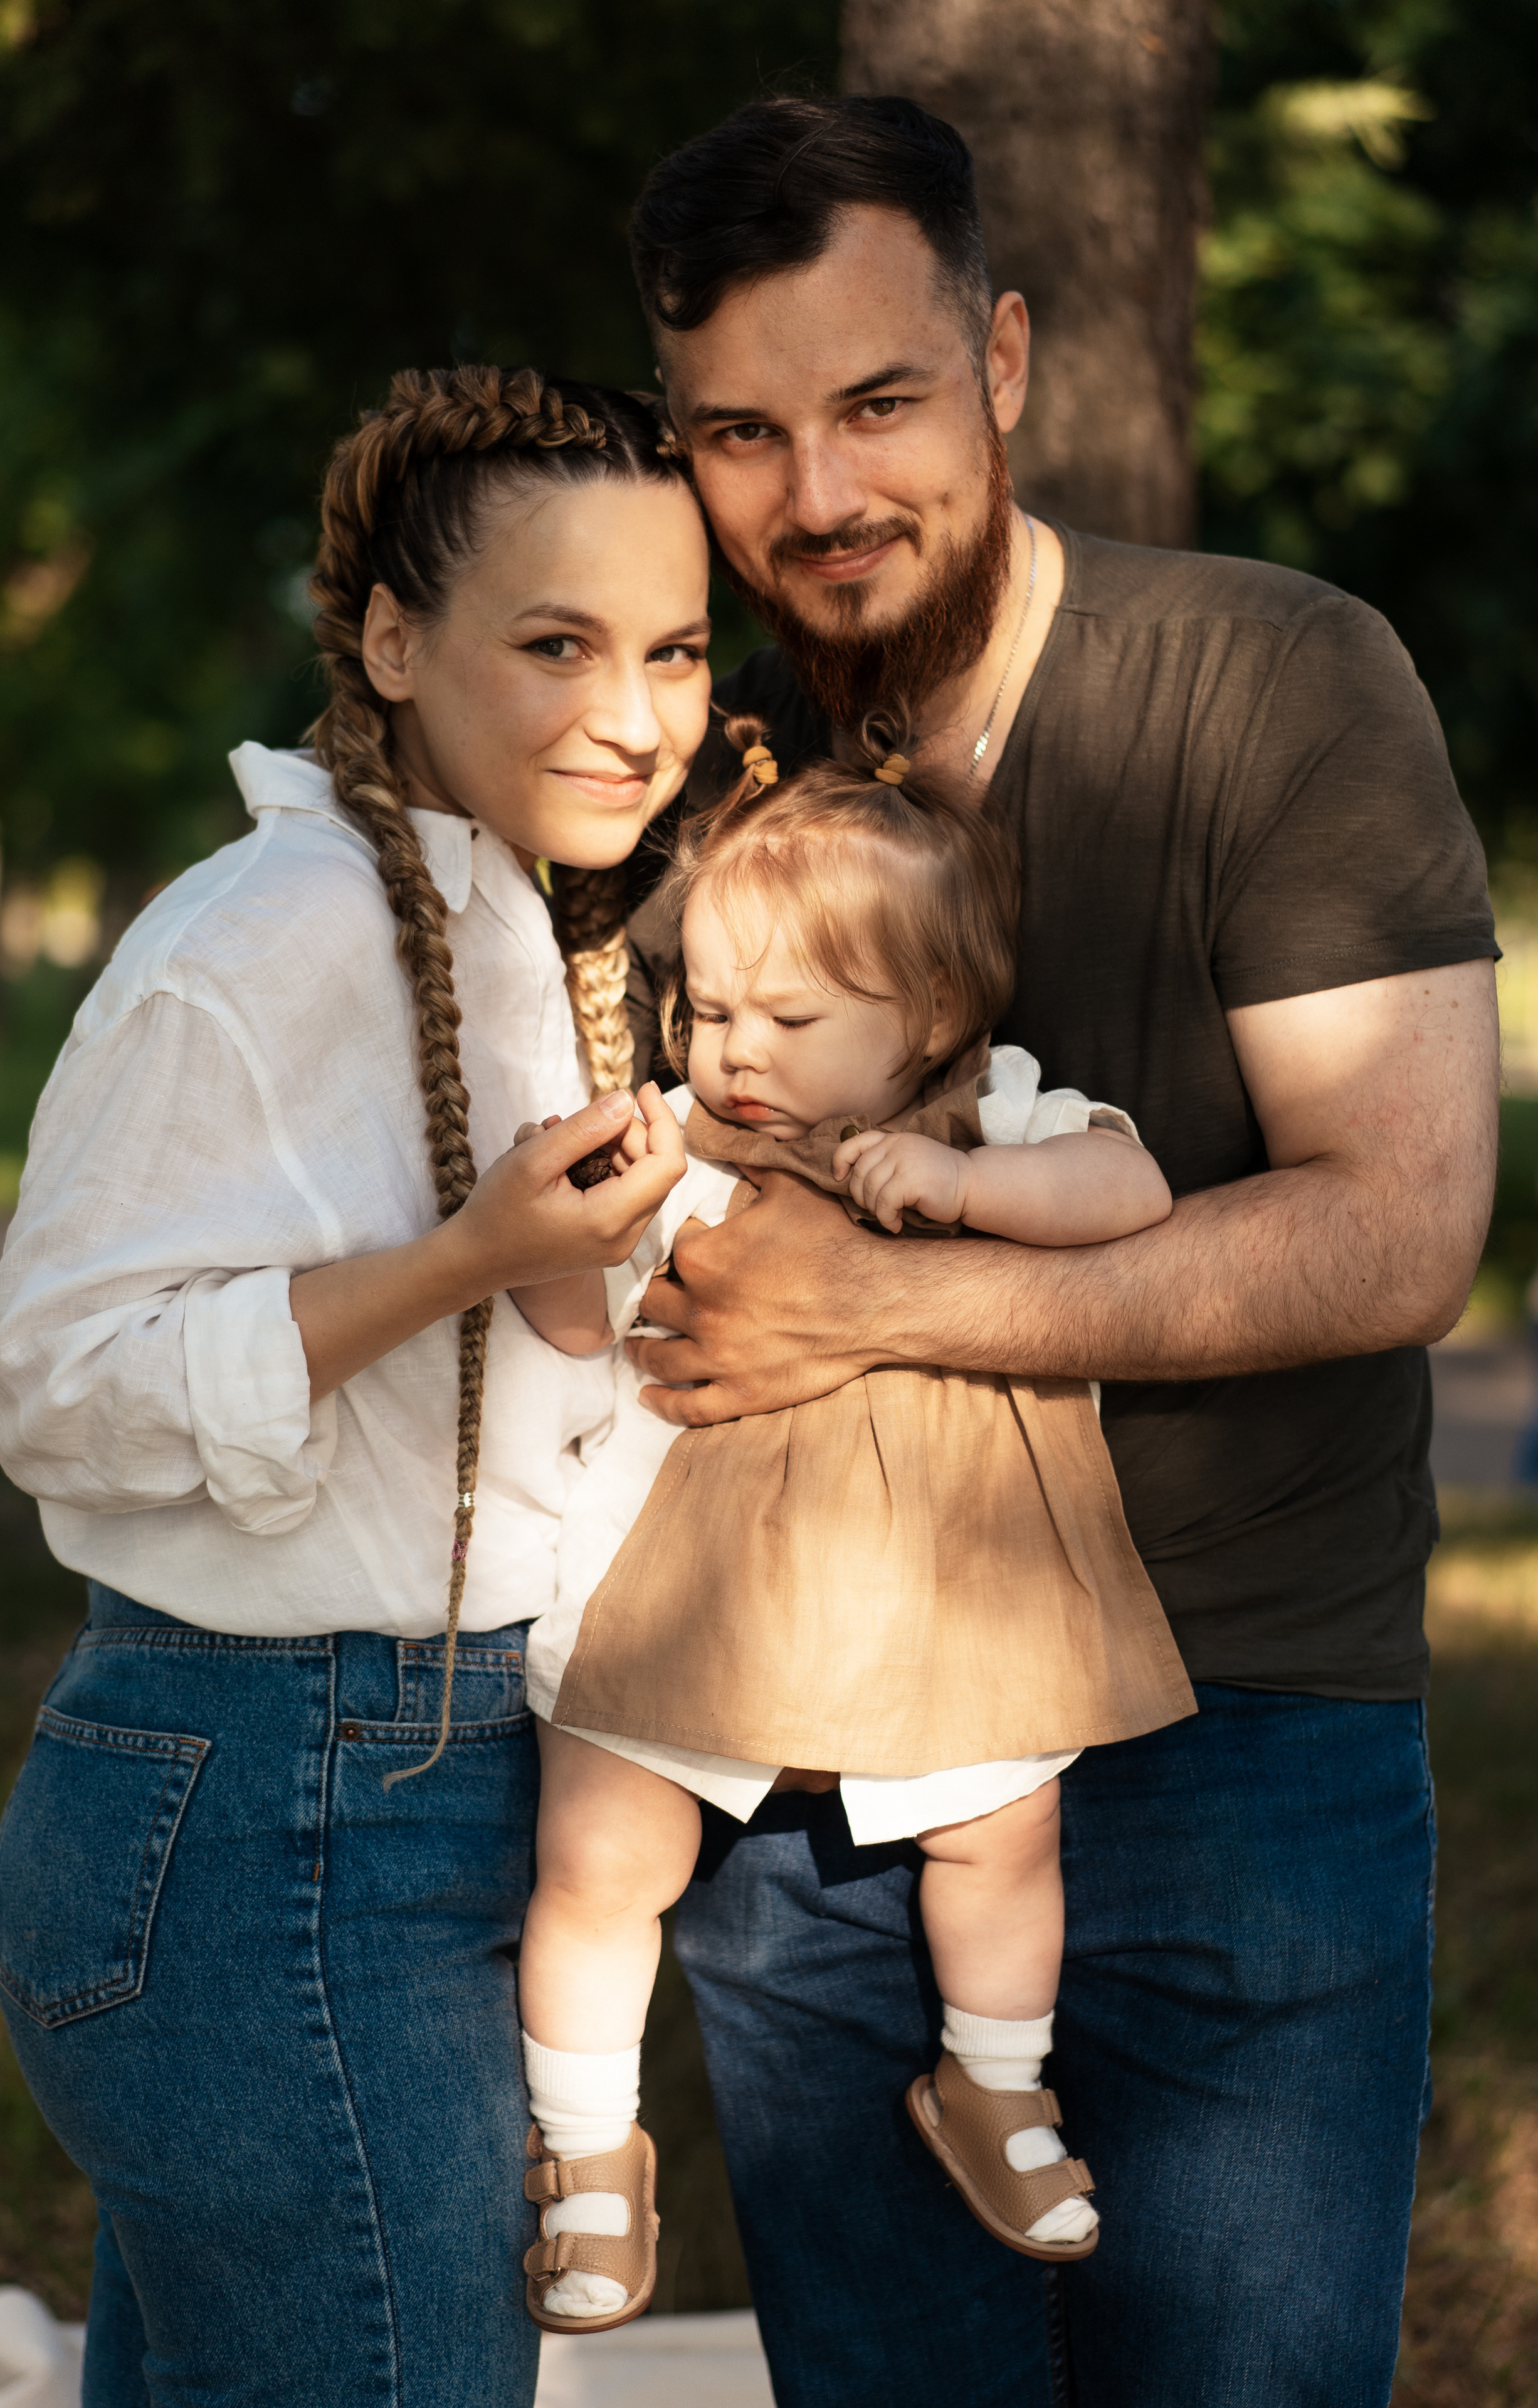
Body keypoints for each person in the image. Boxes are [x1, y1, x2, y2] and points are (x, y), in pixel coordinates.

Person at [614, 95, 1500, 2407]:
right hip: (802, 1760)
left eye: (879, 402)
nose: (815, 495)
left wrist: (897, 1297)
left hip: (1240, 1742)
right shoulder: (676, 771)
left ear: (1005, 361)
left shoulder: (1273, 680)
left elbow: (1402, 1224)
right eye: (742, 433)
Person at [0, 364, 700, 2408]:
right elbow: (54, 1386)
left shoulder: (504, 929)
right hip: (270, 1822)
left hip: (395, 1800)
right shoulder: (275, 929)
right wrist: (468, 1261)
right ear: (394, 640)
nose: (631, 713)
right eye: (556, 644)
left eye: (671, 647)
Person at [512, 707, 1184, 2329]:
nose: (735, 1047)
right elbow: (570, 1330)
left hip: (940, 1600)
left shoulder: (991, 1120)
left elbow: (1133, 1195)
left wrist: (961, 1193)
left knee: (1000, 1831)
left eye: (791, 1015)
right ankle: (587, 2144)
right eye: (711, 1006)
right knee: (601, 1852)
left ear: (931, 1016)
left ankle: (993, 2080)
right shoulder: (680, 1146)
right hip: (687, 1585)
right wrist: (551, 1228)